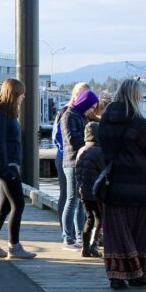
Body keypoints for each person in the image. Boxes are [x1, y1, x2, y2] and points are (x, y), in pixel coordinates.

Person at [97, 79, 146, 289]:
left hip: (114, 185)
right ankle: (138, 275)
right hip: (139, 186)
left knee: (117, 233)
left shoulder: (105, 121)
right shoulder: (139, 123)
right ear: (136, 97)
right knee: (141, 233)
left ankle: (116, 275)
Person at [0, 78, 36, 260]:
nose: (23, 96)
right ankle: (14, 246)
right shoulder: (0, 115)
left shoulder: (7, 114)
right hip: (5, 166)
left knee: (5, 207)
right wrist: (6, 169)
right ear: (13, 94)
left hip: (8, 164)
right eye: (20, 93)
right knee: (18, 205)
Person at [59, 88, 100, 251]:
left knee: (80, 201)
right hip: (71, 162)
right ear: (85, 103)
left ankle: (78, 237)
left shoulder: (80, 115)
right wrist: (89, 140)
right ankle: (67, 239)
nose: (93, 110)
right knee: (71, 200)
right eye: (92, 106)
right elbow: (71, 139)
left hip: (80, 161)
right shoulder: (69, 115)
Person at [51, 82, 89, 233]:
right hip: (65, 157)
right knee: (67, 195)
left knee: (79, 198)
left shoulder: (83, 114)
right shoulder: (66, 112)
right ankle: (67, 233)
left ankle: (79, 233)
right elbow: (59, 137)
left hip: (80, 158)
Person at [74, 121, 105, 258]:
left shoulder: (81, 150)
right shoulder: (99, 152)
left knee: (89, 218)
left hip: (82, 191)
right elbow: (104, 170)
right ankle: (93, 245)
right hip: (95, 192)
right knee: (100, 218)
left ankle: (85, 248)